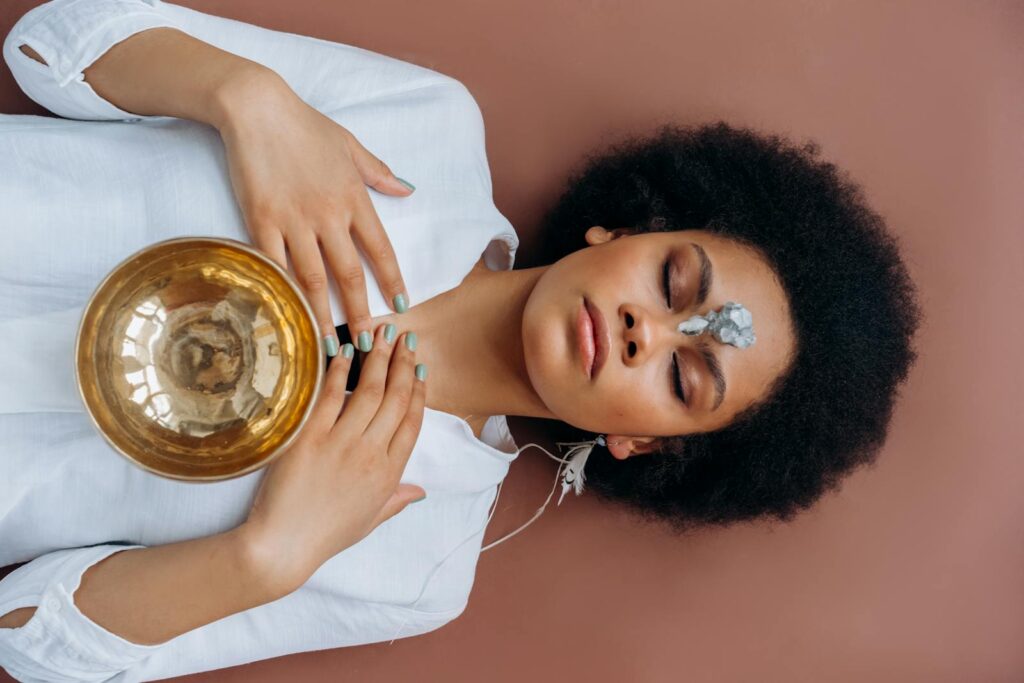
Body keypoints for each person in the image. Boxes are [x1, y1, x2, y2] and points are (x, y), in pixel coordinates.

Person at [0, 1, 922, 681]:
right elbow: (43, 44)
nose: (648, 329)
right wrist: (248, 98)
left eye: (686, 377)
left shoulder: (417, 568)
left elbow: (21, 633)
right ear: (623, 231)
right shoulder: (428, 125)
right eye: (674, 281)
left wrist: (264, 561)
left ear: (644, 445)